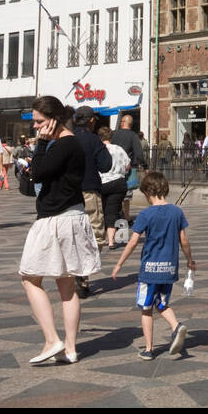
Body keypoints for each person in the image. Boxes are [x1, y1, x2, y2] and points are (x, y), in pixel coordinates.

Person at [19, 96, 102, 365]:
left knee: (29, 277)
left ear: (53, 120)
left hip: (56, 218)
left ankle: (51, 339)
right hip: (71, 215)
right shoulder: (70, 143)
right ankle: (70, 348)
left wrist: (41, 144)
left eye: (39, 122)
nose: (36, 127)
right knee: (67, 286)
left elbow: (39, 173)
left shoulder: (64, 144)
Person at [111, 170, 193, 359]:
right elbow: (184, 240)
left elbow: (132, 242)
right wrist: (189, 260)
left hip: (149, 269)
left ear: (148, 192)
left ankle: (149, 348)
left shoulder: (146, 214)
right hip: (170, 268)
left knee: (146, 308)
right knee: (161, 303)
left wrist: (119, 264)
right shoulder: (176, 212)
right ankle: (176, 326)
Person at [70, 107, 112, 298]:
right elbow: (106, 164)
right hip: (89, 190)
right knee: (96, 234)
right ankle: (83, 273)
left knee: (72, 233)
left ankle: (73, 272)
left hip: (68, 192)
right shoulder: (93, 139)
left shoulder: (67, 137)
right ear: (91, 121)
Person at [98, 126, 133, 247]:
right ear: (110, 137)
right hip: (118, 182)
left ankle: (100, 236)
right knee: (112, 211)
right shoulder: (118, 149)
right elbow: (128, 166)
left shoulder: (98, 149)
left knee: (101, 210)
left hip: (101, 182)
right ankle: (111, 240)